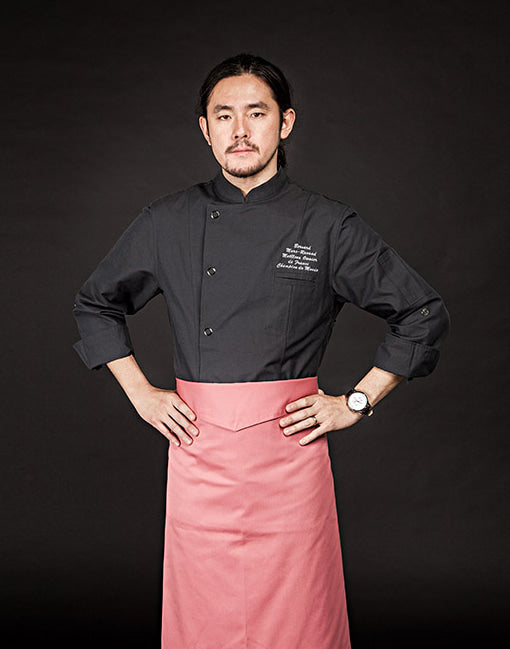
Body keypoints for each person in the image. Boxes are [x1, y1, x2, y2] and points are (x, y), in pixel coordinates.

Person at [72, 53, 450, 649]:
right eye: (224, 116)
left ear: (286, 122)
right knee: (205, 618)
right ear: (205, 128)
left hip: (289, 455)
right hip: (199, 451)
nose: (240, 130)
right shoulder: (167, 221)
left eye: (257, 113)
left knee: (300, 619)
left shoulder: (327, 225)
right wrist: (141, 393)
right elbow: (95, 304)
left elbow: (422, 313)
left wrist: (355, 401)